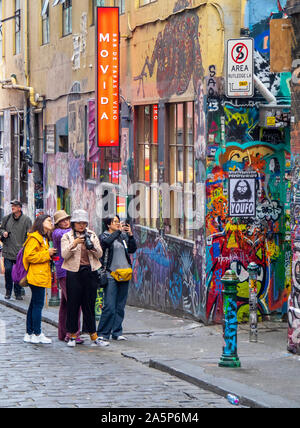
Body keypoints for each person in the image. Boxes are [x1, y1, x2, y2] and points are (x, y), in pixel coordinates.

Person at [61, 209, 108, 348]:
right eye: (79, 223)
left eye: (84, 223)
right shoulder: (67, 236)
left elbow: (99, 254)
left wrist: (91, 247)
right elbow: (64, 255)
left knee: (89, 304)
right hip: (74, 273)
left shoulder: (92, 235)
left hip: (90, 272)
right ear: (74, 224)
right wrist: (74, 243)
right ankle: (72, 335)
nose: (81, 226)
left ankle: (93, 335)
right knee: (73, 305)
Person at [97, 216, 137, 342]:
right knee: (109, 305)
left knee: (120, 305)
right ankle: (103, 333)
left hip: (124, 273)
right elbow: (106, 243)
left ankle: (117, 331)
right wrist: (118, 231)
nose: (118, 224)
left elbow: (132, 249)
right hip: (111, 274)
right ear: (108, 225)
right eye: (115, 222)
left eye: (119, 222)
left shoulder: (122, 237)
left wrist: (130, 236)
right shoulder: (103, 236)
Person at [23, 214, 56, 344]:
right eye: (48, 220)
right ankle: (37, 333)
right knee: (38, 305)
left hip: (40, 274)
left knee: (33, 305)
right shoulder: (35, 237)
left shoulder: (43, 238)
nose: (50, 222)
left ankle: (29, 333)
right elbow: (29, 256)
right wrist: (47, 254)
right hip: (37, 275)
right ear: (41, 223)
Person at [52, 210, 84, 344]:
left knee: (65, 304)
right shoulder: (59, 233)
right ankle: (73, 333)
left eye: (67, 220)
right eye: (62, 221)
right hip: (65, 271)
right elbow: (70, 236)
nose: (66, 222)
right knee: (74, 302)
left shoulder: (66, 232)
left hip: (68, 270)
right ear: (58, 223)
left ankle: (63, 332)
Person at [0, 200, 32, 300]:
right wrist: (3, 232)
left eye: (15, 206)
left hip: (20, 252)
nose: (12, 207)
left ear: (19, 208)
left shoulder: (27, 220)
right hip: (8, 250)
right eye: (12, 205)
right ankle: (8, 291)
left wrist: (25, 247)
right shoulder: (7, 218)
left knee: (18, 273)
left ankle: (18, 293)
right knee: (8, 271)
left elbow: (30, 234)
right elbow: (1, 229)